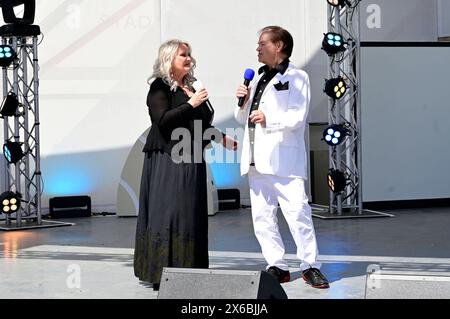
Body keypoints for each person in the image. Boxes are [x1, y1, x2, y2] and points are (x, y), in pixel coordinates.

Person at [134, 39, 237, 290]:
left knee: (191, 214)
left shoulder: (191, 87)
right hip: (169, 159)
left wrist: (220, 138)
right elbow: (162, 120)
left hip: (191, 158)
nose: (189, 58)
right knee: (170, 214)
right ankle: (163, 272)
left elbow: (199, 124)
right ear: (169, 59)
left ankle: (190, 269)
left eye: (190, 54)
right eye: (183, 55)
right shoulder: (160, 87)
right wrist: (191, 104)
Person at [234, 26, 329, 289]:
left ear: (279, 46)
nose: (257, 48)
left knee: (298, 213)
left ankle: (310, 266)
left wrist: (269, 119)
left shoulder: (298, 77)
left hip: (285, 162)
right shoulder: (255, 79)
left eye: (262, 43)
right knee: (262, 218)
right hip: (255, 159)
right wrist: (241, 101)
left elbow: (298, 117)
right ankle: (277, 265)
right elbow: (242, 118)